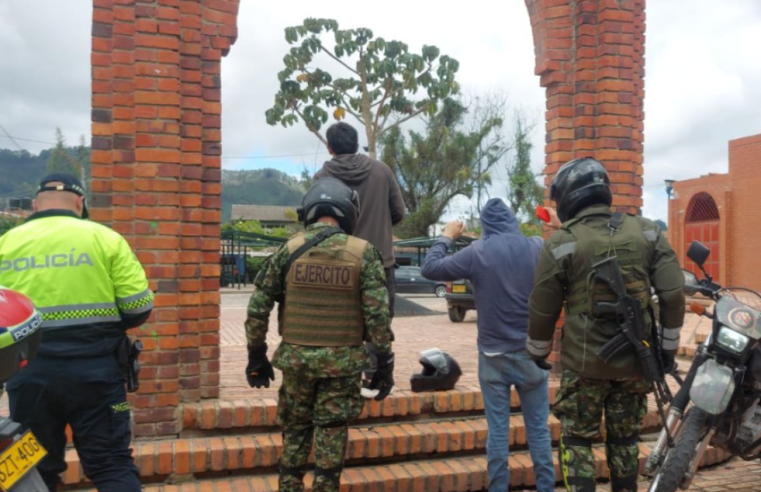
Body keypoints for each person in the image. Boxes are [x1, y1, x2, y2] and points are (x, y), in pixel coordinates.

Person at [526, 157, 685, 492]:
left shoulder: (561, 242)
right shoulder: (646, 231)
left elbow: (543, 308)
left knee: (578, 439)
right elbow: (672, 295)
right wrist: (667, 349)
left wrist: (538, 351)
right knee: (625, 438)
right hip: (636, 361)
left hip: (584, 366)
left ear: (569, 196)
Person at [0, 173, 153, 492]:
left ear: (34, 205)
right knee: (111, 463)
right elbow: (138, 307)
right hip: (96, 371)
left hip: (28, 374)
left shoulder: (6, 243)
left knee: (33, 470)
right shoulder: (105, 238)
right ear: (80, 203)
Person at [244, 177, 394, 492]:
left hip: (297, 362)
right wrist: (383, 363)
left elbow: (258, 306)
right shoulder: (364, 253)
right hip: (342, 365)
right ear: (348, 212)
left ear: (310, 211)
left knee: (296, 428)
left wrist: (256, 355)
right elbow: (378, 314)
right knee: (332, 430)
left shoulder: (288, 249)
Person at [420, 197, 559, 492]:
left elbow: (429, 268)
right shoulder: (536, 246)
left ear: (485, 226)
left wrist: (446, 236)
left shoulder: (478, 251)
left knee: (497, 432)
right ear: (511, 220)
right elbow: (570, 256)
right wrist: (560, 226)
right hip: (532, 354)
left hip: (493, 357)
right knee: (538, 430)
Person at [314, 122, 406, 318]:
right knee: (378, 332)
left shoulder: (322, 178)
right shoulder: (382, 171)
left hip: (337, 265)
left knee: (340, 327)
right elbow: (398, 212)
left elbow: (314, 223)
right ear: (356, 145)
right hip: (380, 262)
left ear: (329, 148)